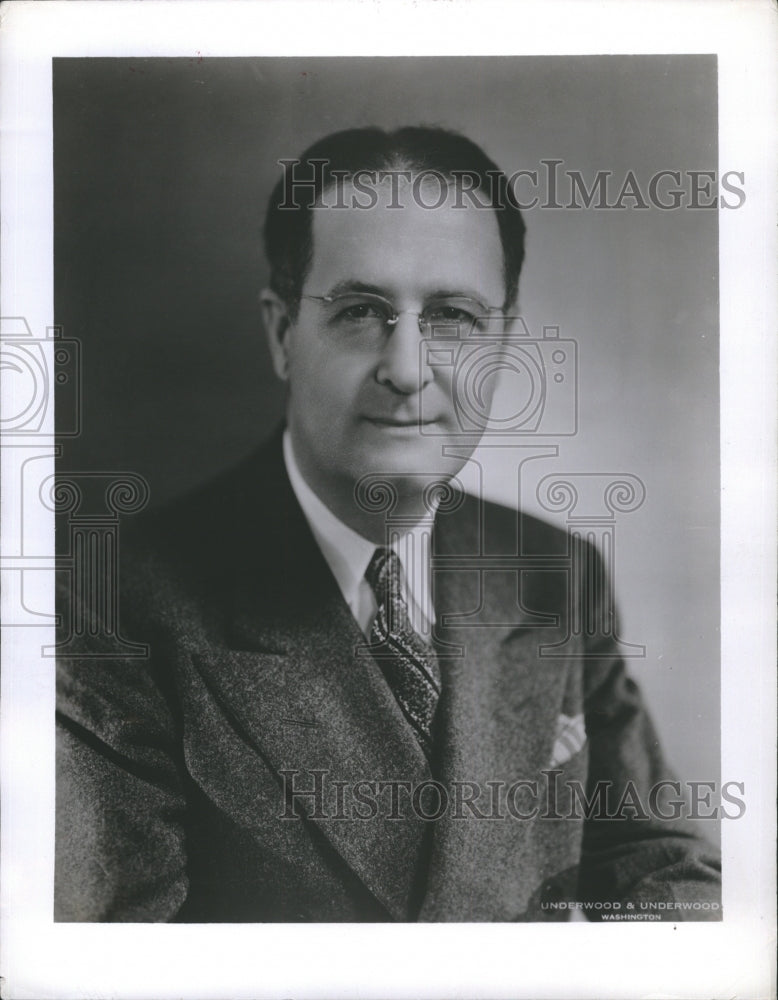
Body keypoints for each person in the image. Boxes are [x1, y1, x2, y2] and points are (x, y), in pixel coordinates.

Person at [55, 126, 721, 922]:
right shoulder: (109, 601)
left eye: (453, 316)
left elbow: (665, 873)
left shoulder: (554, 572)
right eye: (361, 311)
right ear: (282, 336)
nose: (407, 370)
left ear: (505, 337)